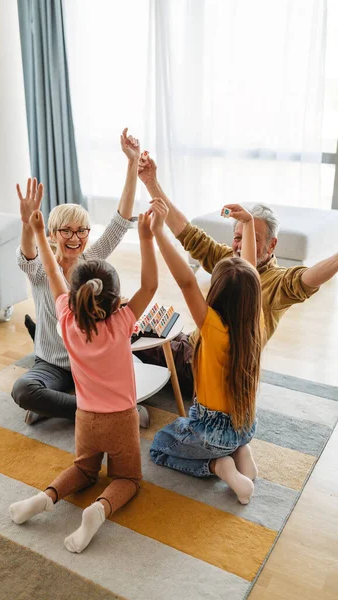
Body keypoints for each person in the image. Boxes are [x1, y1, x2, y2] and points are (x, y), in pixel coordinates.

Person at [135, 154, 338, 396]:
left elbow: (304, 280)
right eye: (237, 237)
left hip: (201, 367)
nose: (240, 247)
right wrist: (150, 182)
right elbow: (187, 232)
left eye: (251, 239)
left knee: (125, 341)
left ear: (272, 245)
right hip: (193, 343)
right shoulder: (229, 262)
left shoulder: (276, 282)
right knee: (142, 330)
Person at [9, 205, 158, 553]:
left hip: (85, 419)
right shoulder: (123, 323)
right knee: (128, 479)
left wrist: (36, 228)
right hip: (121, 419)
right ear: (116, 300)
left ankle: (45, 498)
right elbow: (151, 284)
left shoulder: (66, 320)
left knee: (84, 469)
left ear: (74, 296)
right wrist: (148, 238)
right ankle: (98, 510)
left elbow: (51, 270)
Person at [12, 129, 141, 425]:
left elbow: (120, 221)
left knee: (135, 368)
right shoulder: (42, 269)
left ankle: (59, 405)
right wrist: (26, 223)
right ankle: (92, 409)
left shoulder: (91, 261)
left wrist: (132, 162)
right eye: (66, 231)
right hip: (53, 363)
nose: (75, 237)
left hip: (90, 360)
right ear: (53, 235)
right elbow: (28, 254)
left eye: (81, 230)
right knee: (23, 390)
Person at [148, 198, 262, 504]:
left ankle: (220, 466)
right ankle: (241, 450)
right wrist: (248, 223)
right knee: (206, 429)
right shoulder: (253, 322)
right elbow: (249, 271)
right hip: (244, 423)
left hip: (212, 432)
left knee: (159, 446)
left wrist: (158, 231)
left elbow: (186, 281)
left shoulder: (213, 327)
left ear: (217, 291)